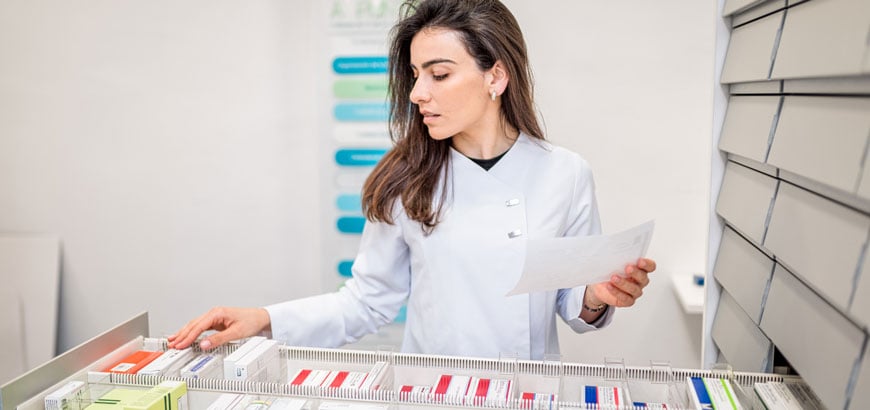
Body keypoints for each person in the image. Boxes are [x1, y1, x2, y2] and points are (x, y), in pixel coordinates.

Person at [169, 0, 655, 360]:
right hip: (432, 393)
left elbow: (572, 299)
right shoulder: (407, 179)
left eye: (439, 74)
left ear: (496, 77)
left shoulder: (564, 173)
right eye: (416, 75)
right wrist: (265, 320)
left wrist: (597, 297)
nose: (418, 93)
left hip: (528, 393)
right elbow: (364, 304)